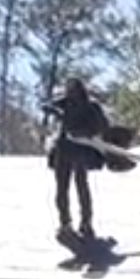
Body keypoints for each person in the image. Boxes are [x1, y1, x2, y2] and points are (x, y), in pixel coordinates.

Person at [43, 78, 108, 239]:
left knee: (81, 185)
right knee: (62, 189)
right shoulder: (64, 103)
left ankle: (86, 222)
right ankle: (65, 223)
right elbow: (47, 105)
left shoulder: (91, 106)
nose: (71, 93)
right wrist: (53, 111)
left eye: (74, 90)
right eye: (69, 90)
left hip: (81, 150)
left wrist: (86, 132)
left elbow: (102, 125)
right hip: (64, 149)